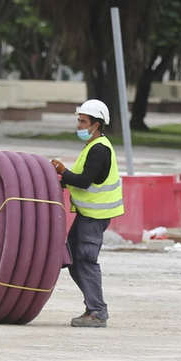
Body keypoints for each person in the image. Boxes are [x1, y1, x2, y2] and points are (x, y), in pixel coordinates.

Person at [51, 98, 123, 328]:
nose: (79, 125)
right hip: (87, 214)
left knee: (86, 260)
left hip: (95, 217)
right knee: (71, 259)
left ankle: (97, 312)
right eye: (79, 120)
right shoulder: (92, 146)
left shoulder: (100, 149)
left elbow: (83, 181)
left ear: (96, 124)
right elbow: (80, 180)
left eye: (83, 121)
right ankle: (93, 307)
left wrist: (62, 171)